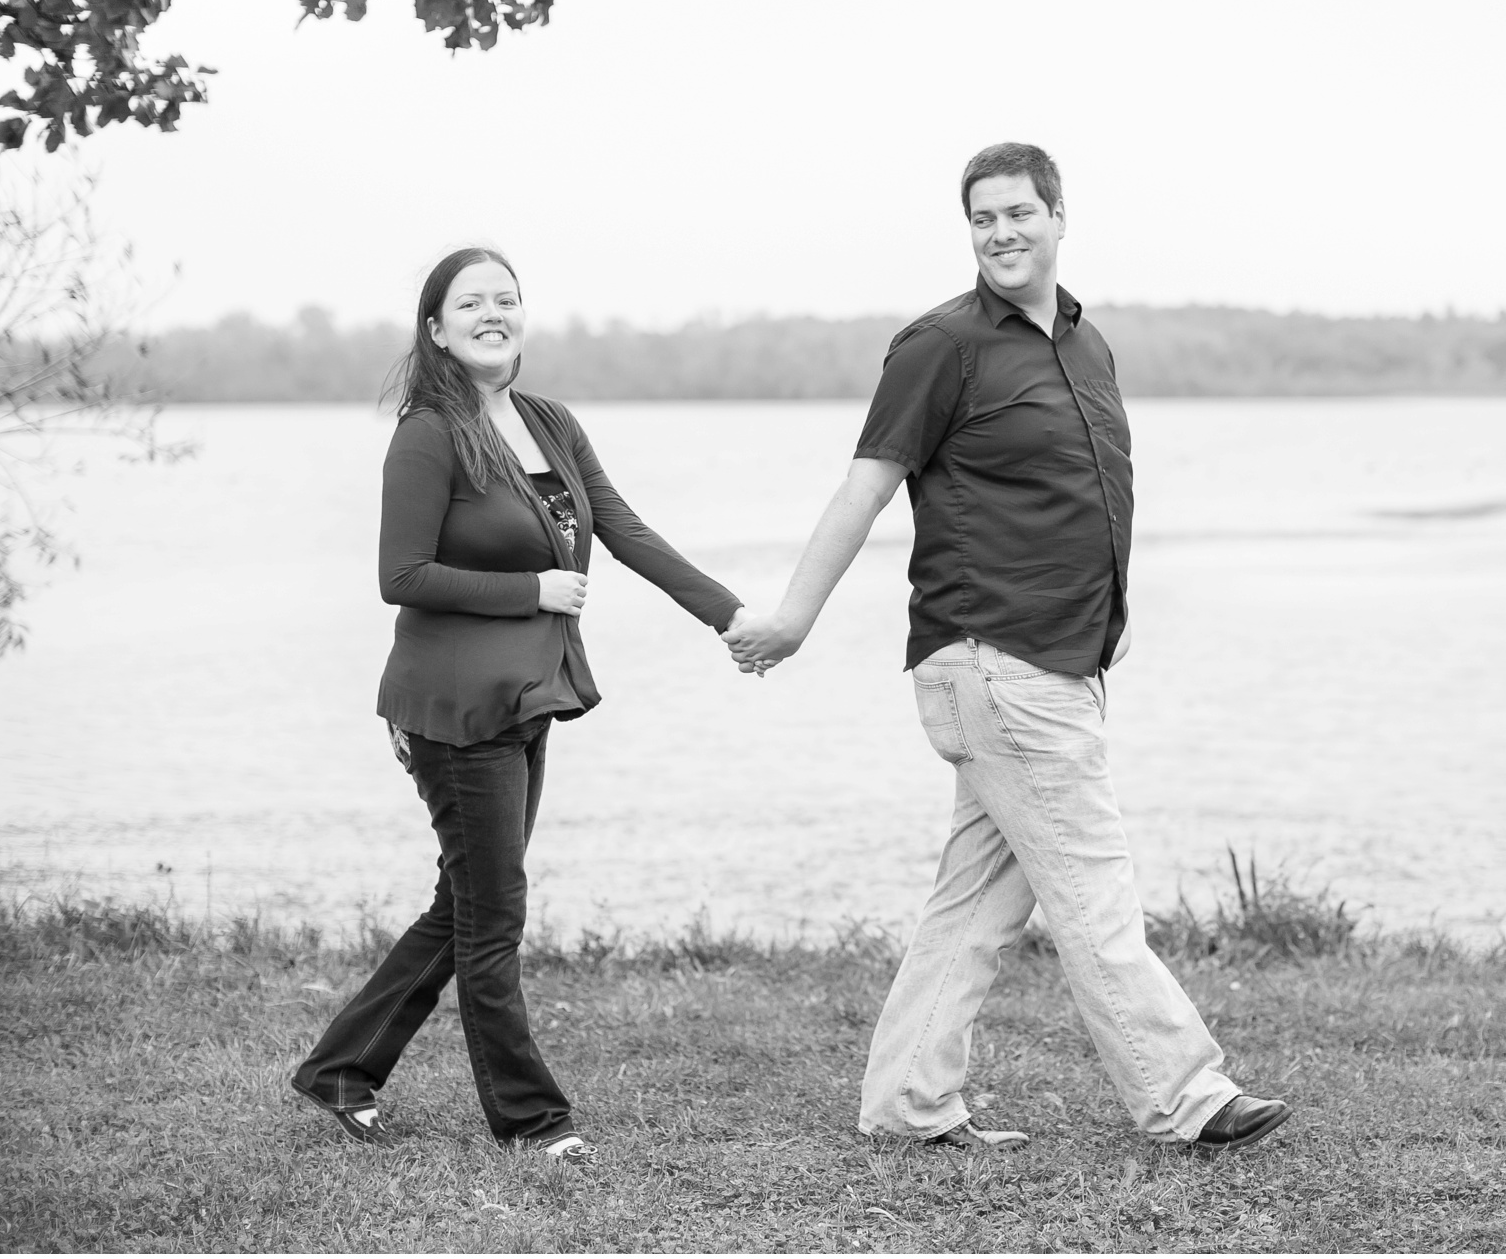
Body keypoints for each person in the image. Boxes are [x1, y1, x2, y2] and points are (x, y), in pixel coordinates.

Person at [724, 143, 1291, 1152]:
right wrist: (794, 619)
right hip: (994, 660)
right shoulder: (939, 346)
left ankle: (905, 1101)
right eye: (981, 217)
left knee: (976, 902)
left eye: (1018, 212)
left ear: (1058, 216)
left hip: (1060, 662)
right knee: (1092, 888)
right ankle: (1184, 1095)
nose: (1000, 232)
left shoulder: (1085, 345)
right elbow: (864, 484)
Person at [292, 247, 748, 1161]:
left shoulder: (548, 421)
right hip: (455, 708)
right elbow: (401, 574)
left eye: (507, 298)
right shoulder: (428, 433)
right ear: (436, 327)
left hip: (527, 694)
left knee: (465, 901)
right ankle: (533, 1121)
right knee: (494, 914)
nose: (492, 313)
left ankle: (339, 1067)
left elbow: (624, 529)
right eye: (471, 303)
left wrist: (732, 616)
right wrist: (532, 590)